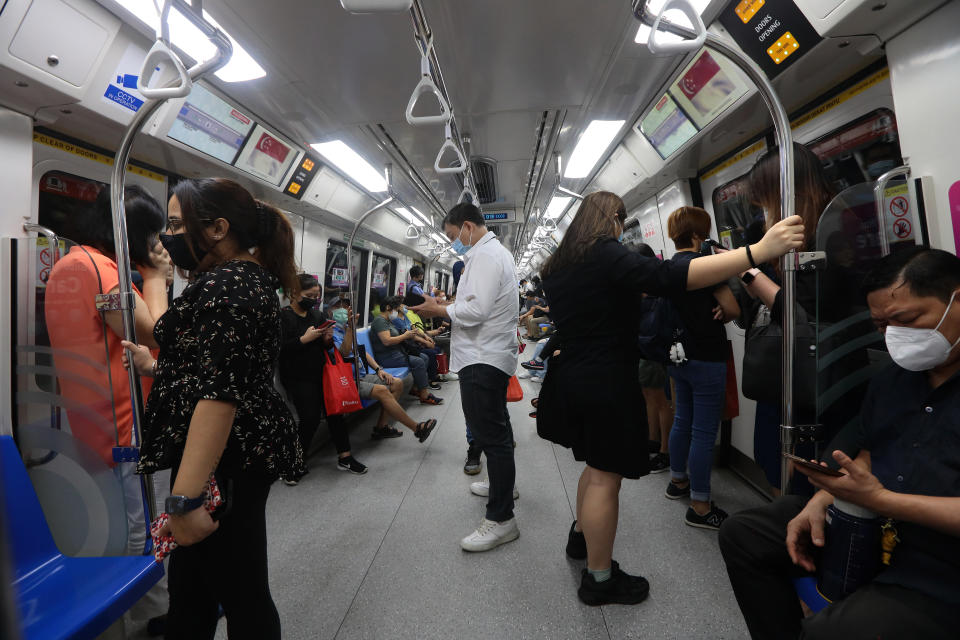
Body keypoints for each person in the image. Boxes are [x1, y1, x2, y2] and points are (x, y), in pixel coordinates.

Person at [536, 190, 803, 606]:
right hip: (606, 377)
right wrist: (756, 252)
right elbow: (668, 278)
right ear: (612, 219)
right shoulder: (603, 251)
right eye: (620, 222)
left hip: (572, 373)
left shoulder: (559, 265)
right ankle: (600, 579)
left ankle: (581, 538)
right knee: (607, 476)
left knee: (593, 466)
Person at [718, 247, 960, 639]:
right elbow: (870, 450)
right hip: (874, 526)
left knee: (833, 630)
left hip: (939, 561)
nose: (894, 336)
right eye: (881, 325)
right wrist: (823, 499)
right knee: (744, 534)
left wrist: (880, 502)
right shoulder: (893, 379)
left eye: (907, 319)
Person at [123, 178, 304, 640]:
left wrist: (183, 500)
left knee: (242, 595)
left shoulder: (228, 288)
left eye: (178, 225)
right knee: (196, 593)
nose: (170, 236)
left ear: (219, 228)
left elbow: (219, 397)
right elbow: (209, 364)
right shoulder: (240, 280)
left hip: (227, 464)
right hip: (235, 457)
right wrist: (158, 369)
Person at [45, 185, 172, 628]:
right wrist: (156, 280)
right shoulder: (103, 272)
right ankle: (151, 620)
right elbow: (158, 333)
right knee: (143, 527)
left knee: (127, 523)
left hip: (90, 424)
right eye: (155, 237)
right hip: (124, 430)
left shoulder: (71, 263)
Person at [413, 202, 521, 552]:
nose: (453, 242)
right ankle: (503, 487)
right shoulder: (486, 255)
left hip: (483, 358)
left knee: (492, 434)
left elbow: (475, 311)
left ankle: (502, 519)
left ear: (468, 227)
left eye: (452, 234)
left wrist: (438, 309)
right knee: (497, 432)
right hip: (486, 355)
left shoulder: (487, 257)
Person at [741, 142, 840, 494]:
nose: (764, 212)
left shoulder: (834, 229)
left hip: (816, 371)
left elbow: (801, 314)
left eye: (767, 200)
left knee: (801, 474)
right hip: (784, 372)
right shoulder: (772, 234)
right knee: (773, 462)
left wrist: (750, 274)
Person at [663, 206, 740, 529]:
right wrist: (723, 312)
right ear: (697, 234)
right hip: (707, 357)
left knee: (683, 419)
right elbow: (732, 308)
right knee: (705, 432)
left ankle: (677, 480)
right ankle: (700, 504)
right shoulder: (706, 267)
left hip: (677, 357)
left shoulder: (667, 268)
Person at [278, 274, 367, 481]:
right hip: (298, 376)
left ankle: (345, 457)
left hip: (322, 372)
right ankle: (296, 462)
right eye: (310, 295)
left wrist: (326, 339)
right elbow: (280, 349)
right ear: (294, 293)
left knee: (335, 414)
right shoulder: (284, 317)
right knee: (309, 419)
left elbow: (325, 347)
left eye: (317, 295)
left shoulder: (317, 316)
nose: (314, 299)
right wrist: (303, 339)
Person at [331, 304, 437, 441]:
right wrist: (351, 329)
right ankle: (417, 428)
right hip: (347, 379)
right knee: (382, 390)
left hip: (362, 374)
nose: (346, 313)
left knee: (397, 383)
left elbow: (360, 352)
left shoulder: (348, 331)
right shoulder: (334, 334)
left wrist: (378, 369)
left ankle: (382, 427)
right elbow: (344, 352)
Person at [634, 243, 674, 474]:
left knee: (660, 401)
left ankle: (665, 451)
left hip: (656, 348)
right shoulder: (646, 283)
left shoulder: (658, 284)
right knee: (649, 396)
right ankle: (652, 440)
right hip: (644, 347)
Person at [371, 296, 443, 405]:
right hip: (387, 357)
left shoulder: (388, 321)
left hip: (397, 353)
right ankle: (424, 394)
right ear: (388, 308)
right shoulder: (380, 321)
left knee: (424, 357)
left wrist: (417, 335)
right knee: (418, 361)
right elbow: (387, 341)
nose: (396, 312)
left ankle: (416, 388)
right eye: (395, 309)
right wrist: (405, 336)